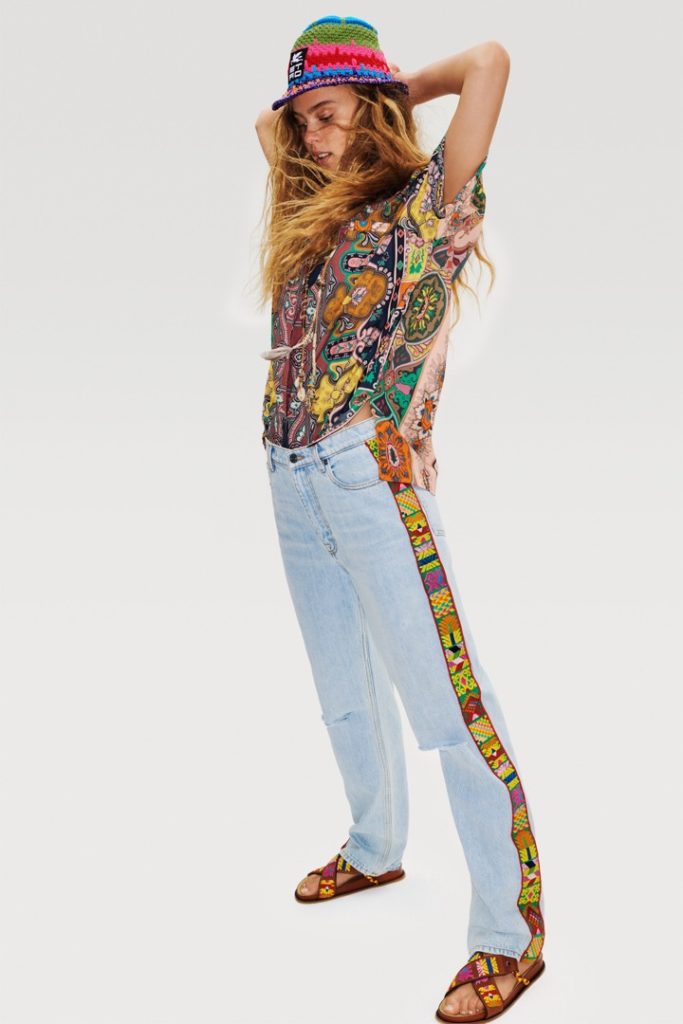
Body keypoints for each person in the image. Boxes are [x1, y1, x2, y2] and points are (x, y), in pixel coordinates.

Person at [253, 15, 546, 1022]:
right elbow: (264, 125)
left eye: (330, 116)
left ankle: (508, 937)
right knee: (343, 691)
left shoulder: (427, 202)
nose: (310, 136)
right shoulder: (305, 201)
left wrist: (388, 91)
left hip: (366, 476)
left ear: (373, 111)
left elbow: (488, 64)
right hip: (288, 473)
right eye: (305, 120)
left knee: (449, 709)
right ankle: (375, 847)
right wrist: (318, 106)